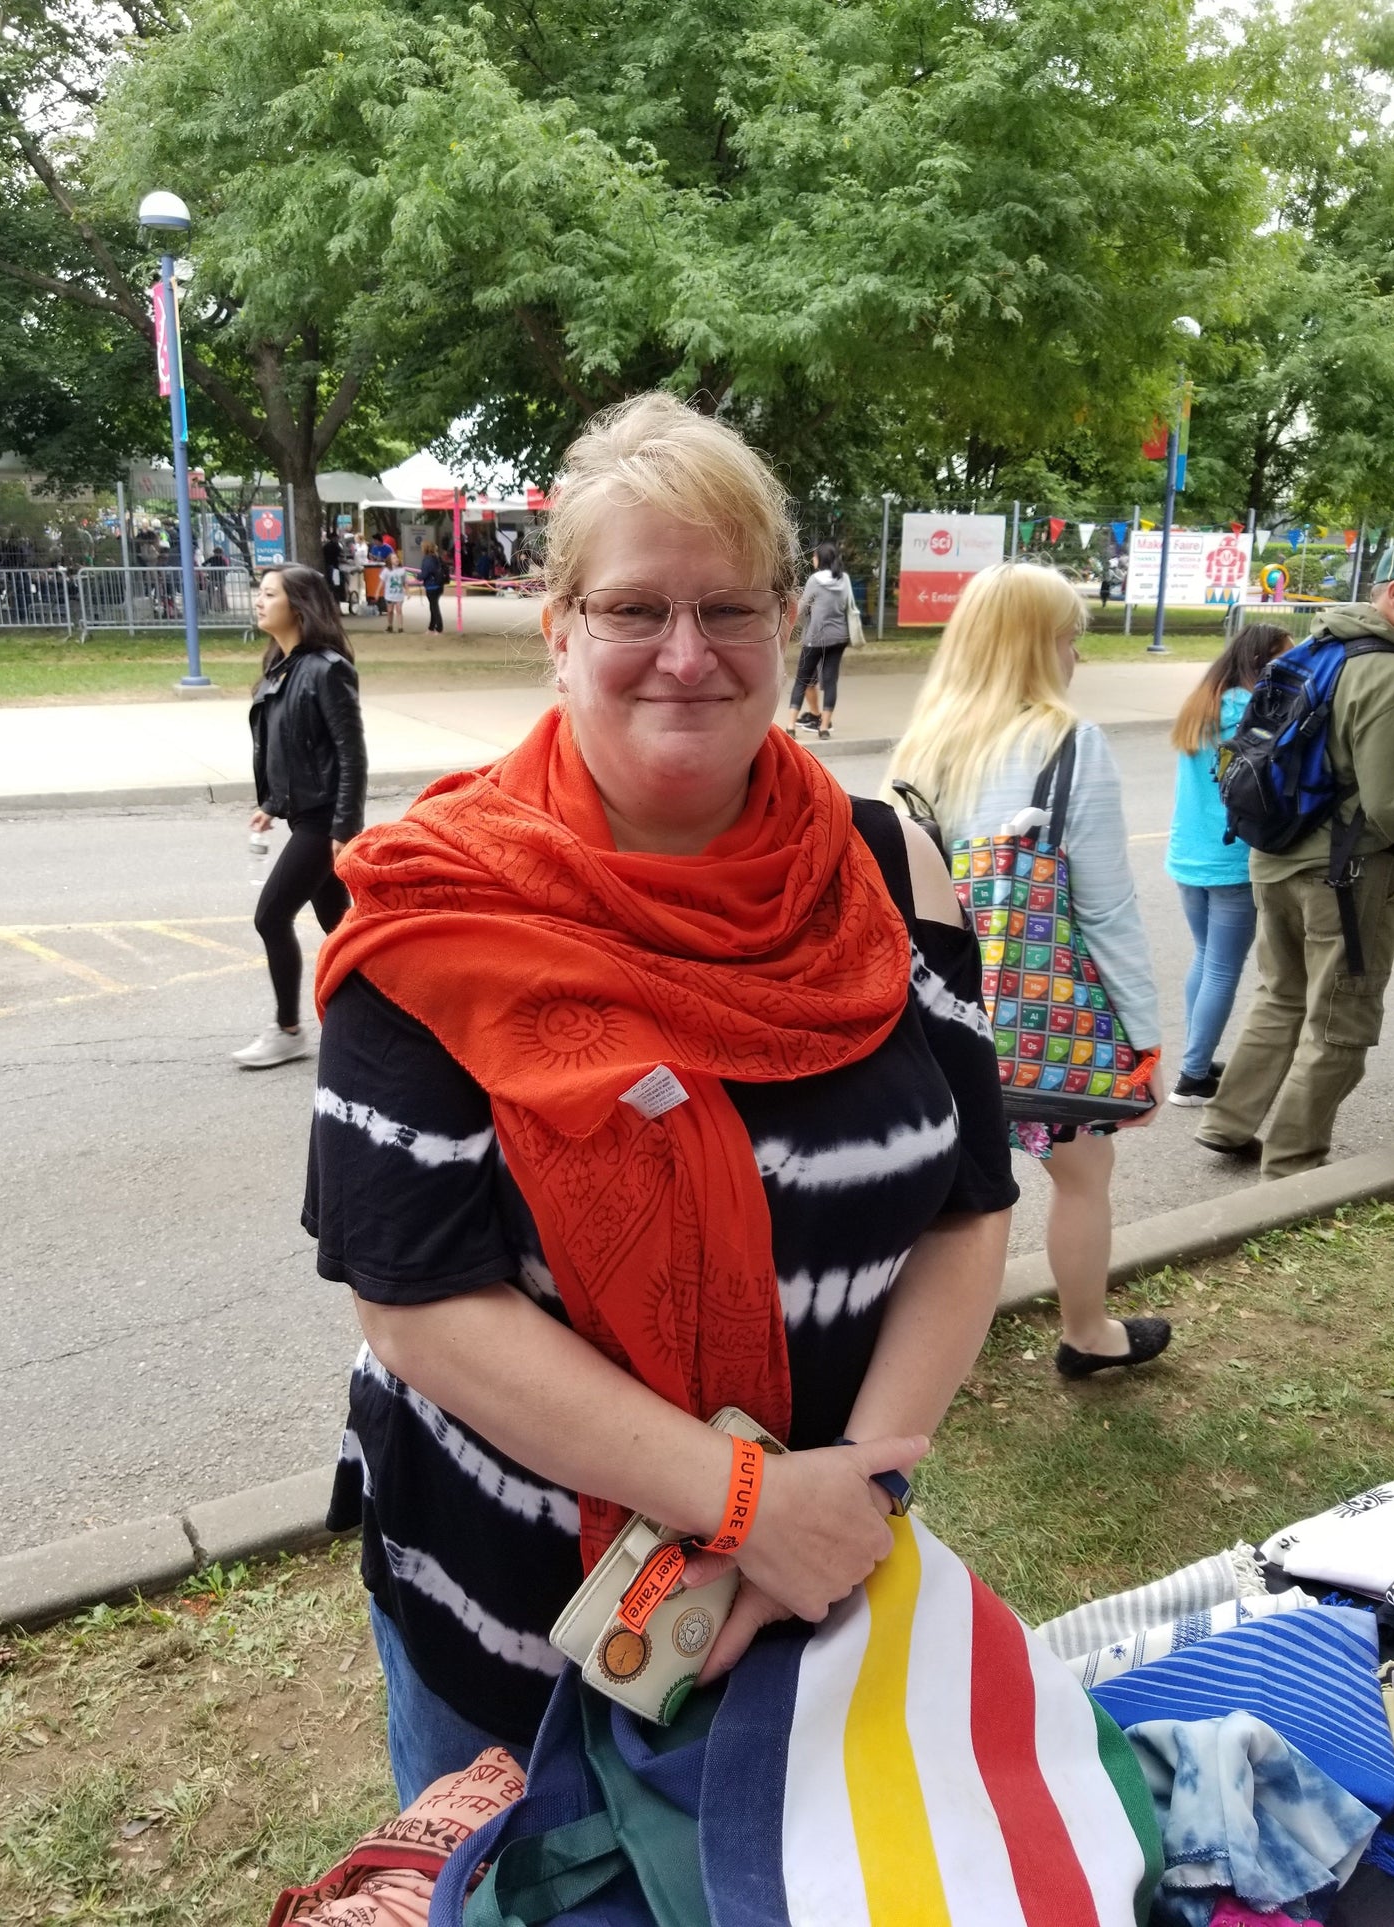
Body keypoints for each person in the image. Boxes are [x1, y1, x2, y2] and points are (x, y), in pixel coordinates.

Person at [305, 391, 1017, 1803]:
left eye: (730, 608)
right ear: (559, 627)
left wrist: (847, 1500)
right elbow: (416, 1298)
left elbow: (966, 1204)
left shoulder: (888, 867)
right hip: (514, 1632)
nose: (686, 657)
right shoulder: (439, 899)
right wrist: (744, 1500)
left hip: (810, 1582)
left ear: (783, 620)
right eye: (635, 608)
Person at [885, 561, 1169, 1379]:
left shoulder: (924, 745)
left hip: (933, 1016)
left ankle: (913, 1357)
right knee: (1084, 1171)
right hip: (1039, 1023)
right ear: (1033, 646)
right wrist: (1142, 1043)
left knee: (947, 1190)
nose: (1075, 653)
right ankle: (1088, 1332)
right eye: (1067, 636)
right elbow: (1107, 909)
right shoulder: (1069, 744)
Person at [1198, 580, 1394, 1176]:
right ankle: (1292, 1167)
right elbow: (1388, 803)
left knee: (1280, 996)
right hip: (1344, 873)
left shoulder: (1314, 648)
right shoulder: (1384, 673)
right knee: (1341, 1018)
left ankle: (1228, 1123)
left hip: (1274, 857)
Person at [235, 565, 367, 1070]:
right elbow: (287, 747)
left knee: (270, 917)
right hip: (301, 816)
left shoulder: (326, 668)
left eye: (270, 594)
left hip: (322, 823)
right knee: (341, 927)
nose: (259, 600)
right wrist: (271, 804)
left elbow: (350, 754)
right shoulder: (281, 665)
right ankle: (379, 1014)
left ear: (299, 605)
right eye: (260, 593)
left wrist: (343, 831)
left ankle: (288, 1029)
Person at [1165, 624, 1290, 1106]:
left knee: (1204, 957)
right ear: (1262, 662)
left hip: (1187, 855)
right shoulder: (1254, 710)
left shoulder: (1202, 705)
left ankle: (1195, 1061)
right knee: (1221, 968)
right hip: (1232, 857)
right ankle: (1192, 1076)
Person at [785, 542, 856, 739]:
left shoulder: (815, 580)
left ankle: (791, 727)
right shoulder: (845, 579)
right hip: (839, 637)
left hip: (815, 638)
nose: (812, 559)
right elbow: (846, 604)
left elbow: (801, 607)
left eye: (814, 556)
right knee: (831, 681)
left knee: (802, 679)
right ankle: (823, 728)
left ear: (821, 559)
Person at [418, 538, 447, 633]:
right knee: (433, 606)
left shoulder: (427, 559)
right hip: (439, 585)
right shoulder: (437, 558)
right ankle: (431, 627)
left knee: (434, 607)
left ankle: (439, 628)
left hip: (432, 586)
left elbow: (425, 574)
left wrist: (419, 576)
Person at [382, 555, 406, 632]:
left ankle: (400, 627)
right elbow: (382, 582)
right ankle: (390, 625)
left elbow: (404, 582)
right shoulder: (386, 570)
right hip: (389, 594)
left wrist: (408, 592)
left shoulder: (402, 570)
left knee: (399, 610)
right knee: (390, 611)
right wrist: (377, 592)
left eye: (397, 558)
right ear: (390, 561)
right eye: (394, 558)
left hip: (399, 594)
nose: (396, 559)